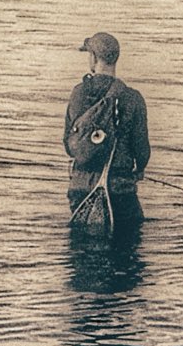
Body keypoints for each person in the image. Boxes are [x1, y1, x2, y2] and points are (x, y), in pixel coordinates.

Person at [64, 32, 150, 238]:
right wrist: (139, 170)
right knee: (127, 249)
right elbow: (142, 150)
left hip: (81, 188)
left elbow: (69, 146)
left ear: (93, 57)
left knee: (82, 251)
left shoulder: (78, 94)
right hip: (120, 190)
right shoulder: (133, 98)